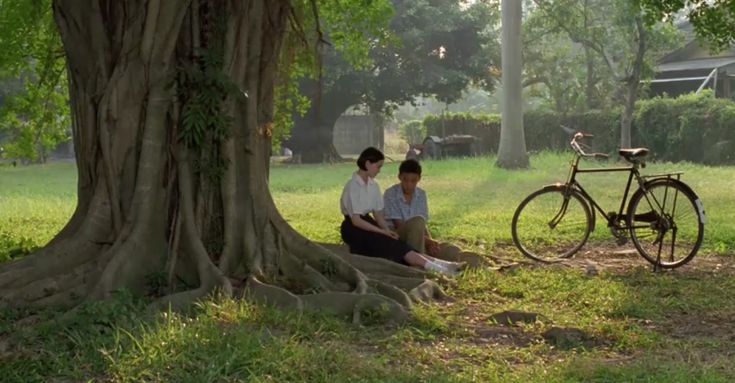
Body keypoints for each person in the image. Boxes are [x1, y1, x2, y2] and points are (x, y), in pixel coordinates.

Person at [339, 147, 463, 275]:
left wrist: (386, 231)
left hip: (370, 222)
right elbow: (356, 221)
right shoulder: (352, 185)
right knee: (394, 246)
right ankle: (440, 269)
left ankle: (447, 265)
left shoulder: (373, 185)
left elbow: (378, 214)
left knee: (398, 244)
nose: (379, 171)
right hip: (353, 228)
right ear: (368, 164)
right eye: (378, 167)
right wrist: (382, 231)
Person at [382, 159, 440, 256]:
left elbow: (422, 225)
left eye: (413, 181)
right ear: (399, 177)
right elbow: (399, 225)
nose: (409, 185)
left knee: (447, 249)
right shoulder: (390, 194)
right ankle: (419, 263)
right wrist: (428, 241)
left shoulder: (421, 195)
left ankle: (427, 256)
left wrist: (430, 243)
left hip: (418, 236)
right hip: (396, 236)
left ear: (419, 179)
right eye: (405, 180)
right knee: (417, 222)